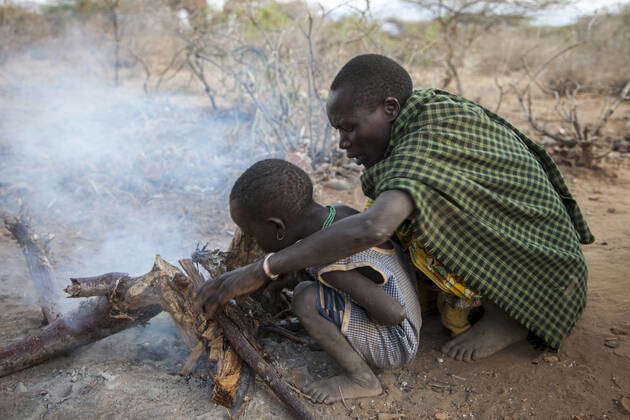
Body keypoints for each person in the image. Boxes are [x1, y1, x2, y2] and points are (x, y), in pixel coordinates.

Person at [196, 54, 594, 363]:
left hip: (543, 271)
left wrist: (263, 268)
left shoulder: (429, 135)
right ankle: (454, 296)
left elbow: (373, 228)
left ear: (389, 108)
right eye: (339, 131)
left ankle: (508, 317)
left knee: (396, 216)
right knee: (406, 211)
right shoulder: (418, 122)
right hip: (516, 245)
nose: (343, 143)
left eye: (349, 127)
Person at [228, 159, 422, 403]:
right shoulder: (337, 214)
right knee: (310, 291)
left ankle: (362, 379)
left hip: (396, 344)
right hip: (406, 321)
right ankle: (344, 333)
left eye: (252, 234)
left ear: (277, 227)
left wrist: (343, 312)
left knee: (305, 297)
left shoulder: (331, 264)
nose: (251, 241)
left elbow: (393, 313)